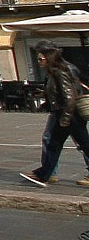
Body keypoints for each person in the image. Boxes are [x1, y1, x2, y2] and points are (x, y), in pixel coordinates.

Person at [21, 41, 89, 187]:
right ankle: (44, 174)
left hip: (69, 115)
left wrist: (65, 119)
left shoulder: (60, 72)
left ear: (48, 57)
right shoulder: (54, 71)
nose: (38, 62)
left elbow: (69, 97)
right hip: (66, 115)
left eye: (41, 59)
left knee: (78, 145)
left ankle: (44, 174)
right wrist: (46, 95)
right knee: (55, 144)